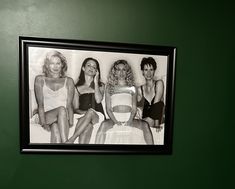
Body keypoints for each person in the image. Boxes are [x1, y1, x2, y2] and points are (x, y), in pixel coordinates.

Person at [95, 60, 154, 144]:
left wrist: (130, 120)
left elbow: (134, 108)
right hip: (114, 117)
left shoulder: (132, 88)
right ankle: (96, 154)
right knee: (103, 125)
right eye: (118, 70)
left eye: (124, 70)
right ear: (114, 72)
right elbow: (108, 109)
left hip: (129, 117)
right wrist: (115, 122)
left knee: (145, 125)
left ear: (127, 72)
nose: (121, 72)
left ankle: (152, 153)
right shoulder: (109, 88)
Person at [34, 50, 75, 143]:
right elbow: (40, 105)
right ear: (47, 65)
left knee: (56, 129)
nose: (55, 66)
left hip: (63, 117)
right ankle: (67, 144)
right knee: (61, 109)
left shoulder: (69, 81)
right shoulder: (40, 79)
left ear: (62, 65)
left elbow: (69, 106)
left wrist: (71, 123)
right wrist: (44, 123)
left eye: (58, 63)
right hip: (46, 116)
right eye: (52, 63)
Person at [66, 58, 105, 144]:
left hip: (97, 115)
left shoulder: (101, 85)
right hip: (83, 115)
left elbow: (98, 100)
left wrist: (95, 81)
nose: (91, 68)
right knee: (88, 126)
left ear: (96, 71)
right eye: (89, 65)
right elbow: (75, 108)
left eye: (94, 67)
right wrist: (85, 113)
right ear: (83, 68)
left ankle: (72, 139)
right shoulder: (76, 88)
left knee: (91, 112)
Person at [137, 57, 165, 132]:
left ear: (154, 71)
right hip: (145, 120)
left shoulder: (159, 83)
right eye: (146, 70)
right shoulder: (140, 89)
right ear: (142, 72)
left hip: (156, 120)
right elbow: (135, 105)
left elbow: (157, 105)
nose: (149, 73)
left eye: (151, 70)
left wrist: (156, 125)